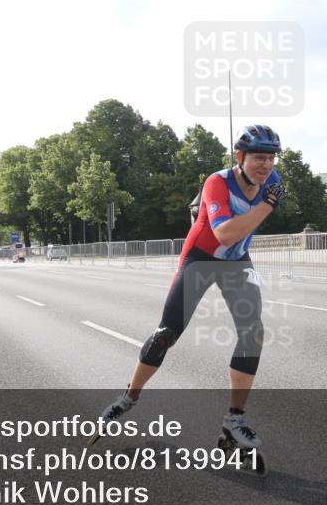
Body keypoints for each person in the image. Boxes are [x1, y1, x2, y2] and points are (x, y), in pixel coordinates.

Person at [93, 125, 287, 450]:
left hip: (236, 262)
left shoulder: (272, 181)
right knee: (166, 334)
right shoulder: (217, 182)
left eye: (270, 158)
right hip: (200, 258)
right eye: (258, 158)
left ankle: (234, 421)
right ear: (240, 157)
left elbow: (239, 236)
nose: (265, 165)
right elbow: (224, 233)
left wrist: (264, 201)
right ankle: (128, 399)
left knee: (253, 333)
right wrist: (266, 205)